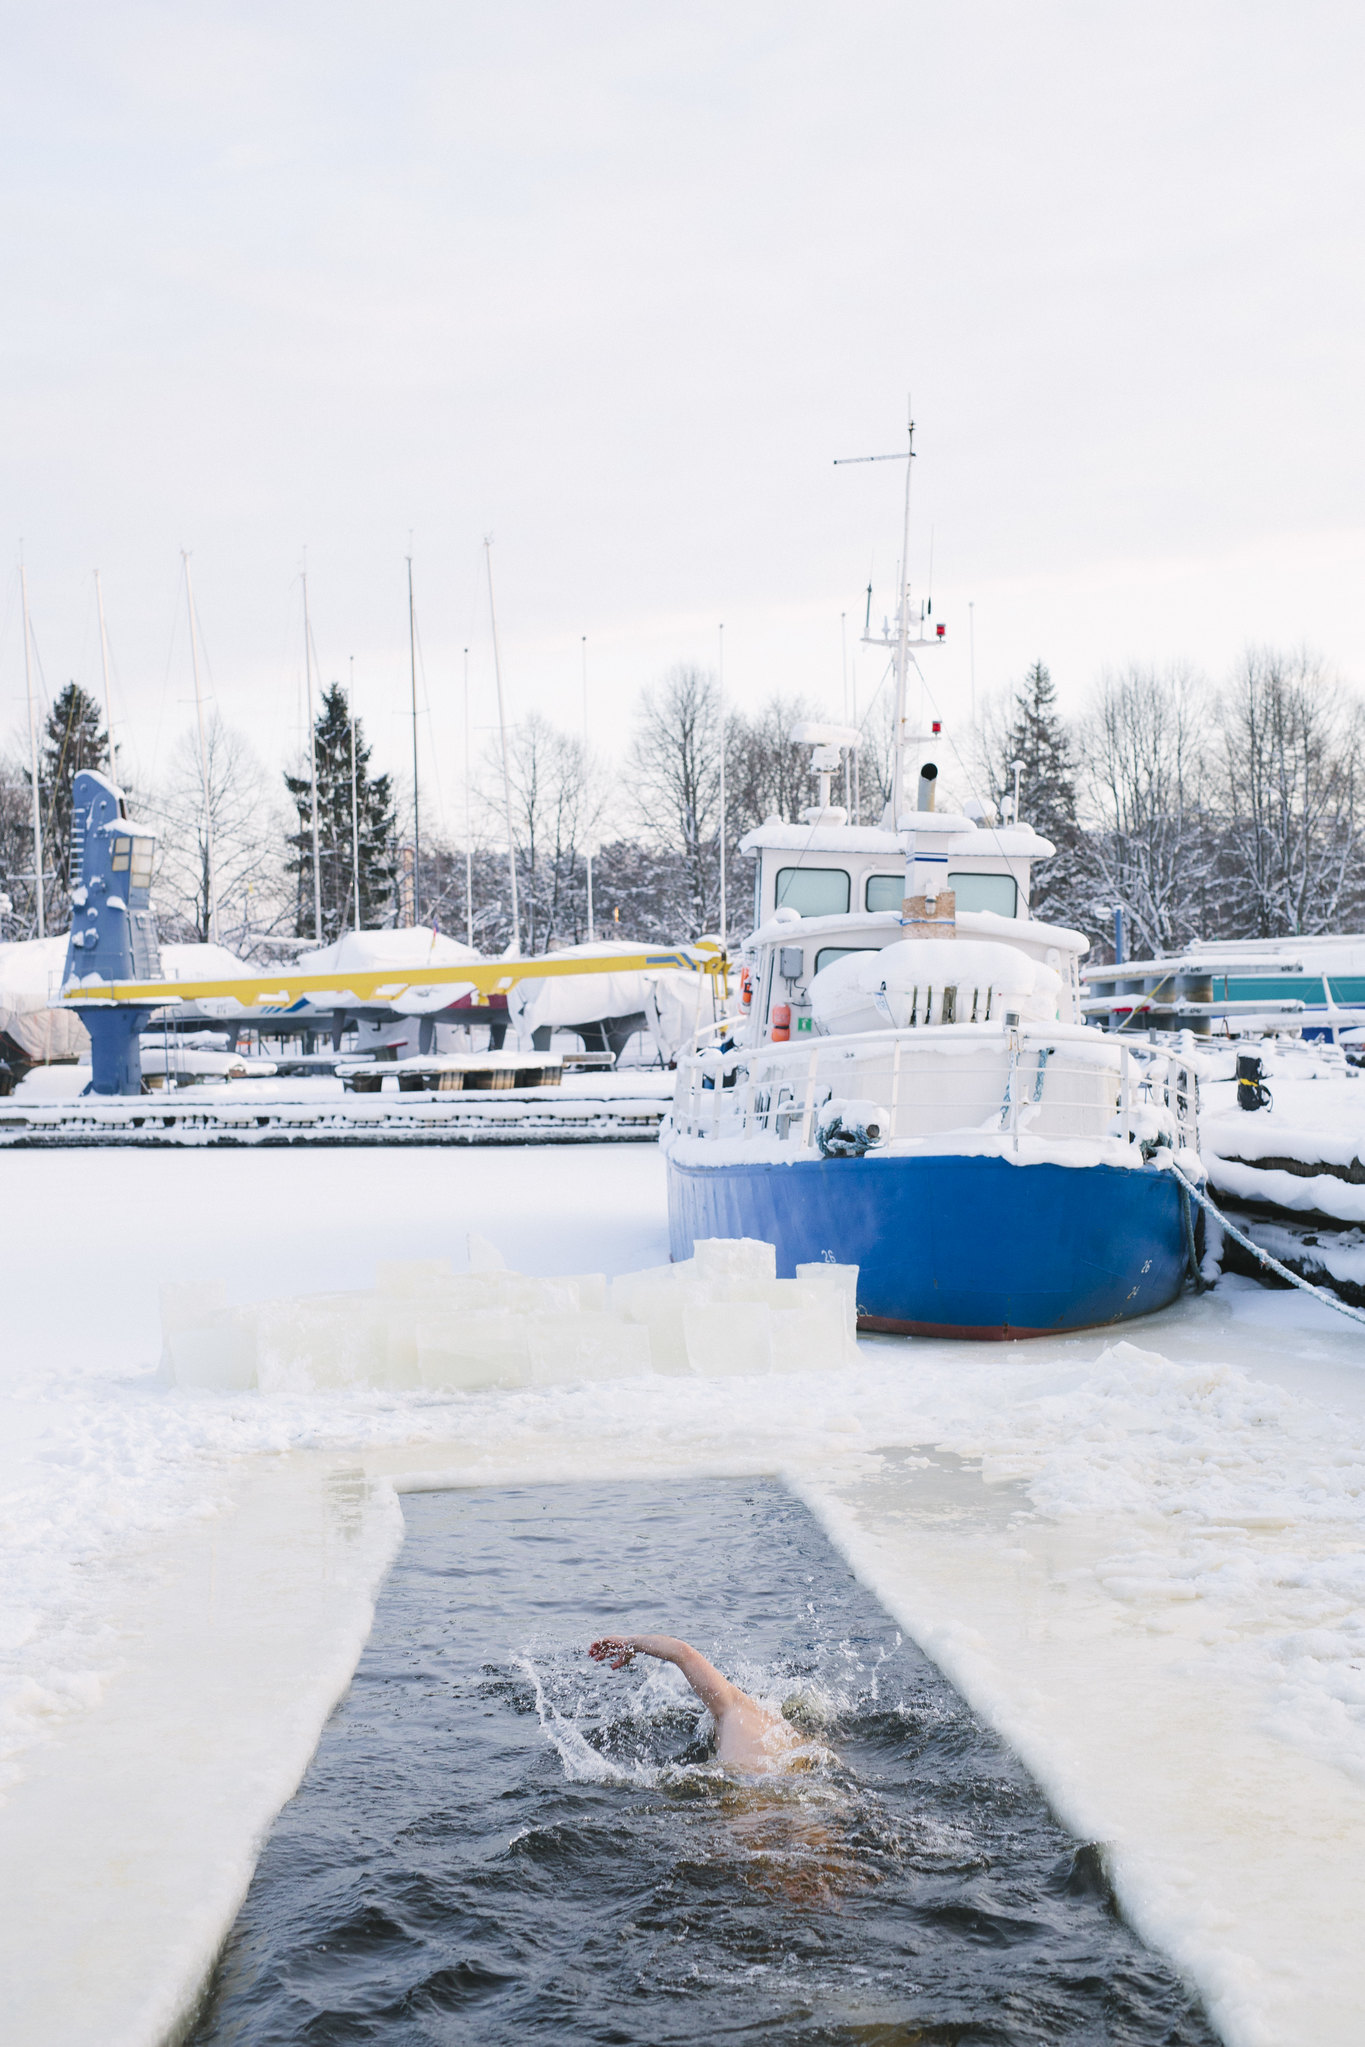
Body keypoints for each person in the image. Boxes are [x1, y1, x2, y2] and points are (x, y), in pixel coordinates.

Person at [589, 1633, 799, 1772]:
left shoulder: (732, 1707)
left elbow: (682, 1652)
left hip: (747, 1789)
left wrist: (630, 1643)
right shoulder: (791, 1738)